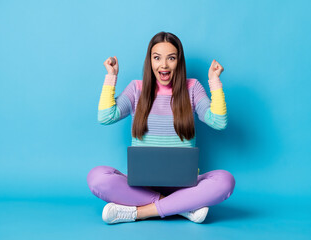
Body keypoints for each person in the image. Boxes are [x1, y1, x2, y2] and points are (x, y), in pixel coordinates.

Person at [87, 32, 236, 224]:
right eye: (157, 58)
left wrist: (214, 81)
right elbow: (106, 117)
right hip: (142, 187)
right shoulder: (136, 89)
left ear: (179, 62)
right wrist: (111, 77)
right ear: (150, 61)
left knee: (225, 181)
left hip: (184, 187)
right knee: (97, 177)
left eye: (171, 58)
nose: (163, 65)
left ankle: (141, 212)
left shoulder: (192, 87)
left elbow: (218, 121)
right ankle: (181, 207)